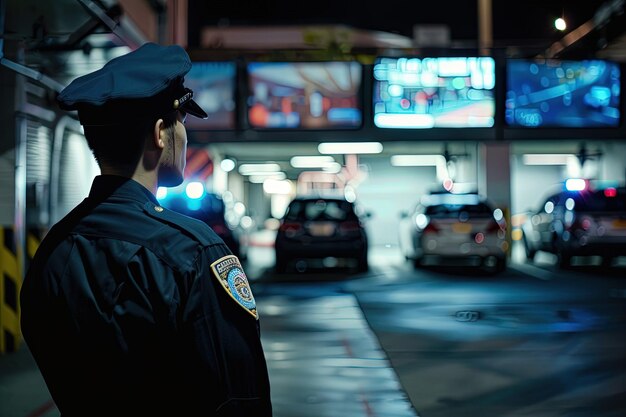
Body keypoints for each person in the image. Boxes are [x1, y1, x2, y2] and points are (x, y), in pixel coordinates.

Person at [20, 42, 272, 417]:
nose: (185, 136)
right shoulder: (193, 251)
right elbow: (238, 397)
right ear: (160, 133)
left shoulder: (54, 249)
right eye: (182, 121)